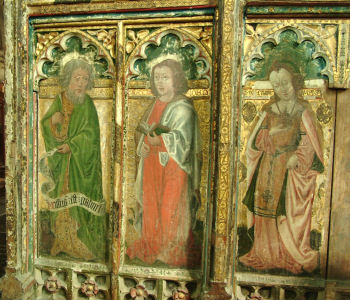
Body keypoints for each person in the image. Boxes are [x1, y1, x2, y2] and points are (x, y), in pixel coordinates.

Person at [239, 63, 324, 274]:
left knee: (282, 209)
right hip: (268, 166)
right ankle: (263, 253)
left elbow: (309, 141)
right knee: (264, 210)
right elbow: (256, 141)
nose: (282, 88)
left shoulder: (302, 111)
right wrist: (271, 132)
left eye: (285, 83)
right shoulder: (269, 110)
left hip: (289, 170)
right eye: (276, 85)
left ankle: (287, 254)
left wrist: (298, 156)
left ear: (294, 82)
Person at [126, 59, 202, 267]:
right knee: (151, 206)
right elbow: (141, 130)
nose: (160, 82)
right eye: (157, 77)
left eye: (165, 77)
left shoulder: (183, 107)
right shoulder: (154, 105)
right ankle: (152, 245)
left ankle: (171, 250)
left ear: (176, 80)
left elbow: (185, 140)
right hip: (152, 164)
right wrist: (141, 144)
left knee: (170, 208)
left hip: (175, 168)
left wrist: (160, 140)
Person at [41, 58, 106, 260]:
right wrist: (52, 122)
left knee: (79, 204)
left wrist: (73, 145)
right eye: (77, 78)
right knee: (62, 203)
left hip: (81, 167)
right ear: (68, 79)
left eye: (85, 79)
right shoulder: (59, 100)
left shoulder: (87, 104)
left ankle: (80, 243)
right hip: (62, 166)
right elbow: (45, 126)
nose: (80, 83)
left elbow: (92, 136)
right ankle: (62, 241)